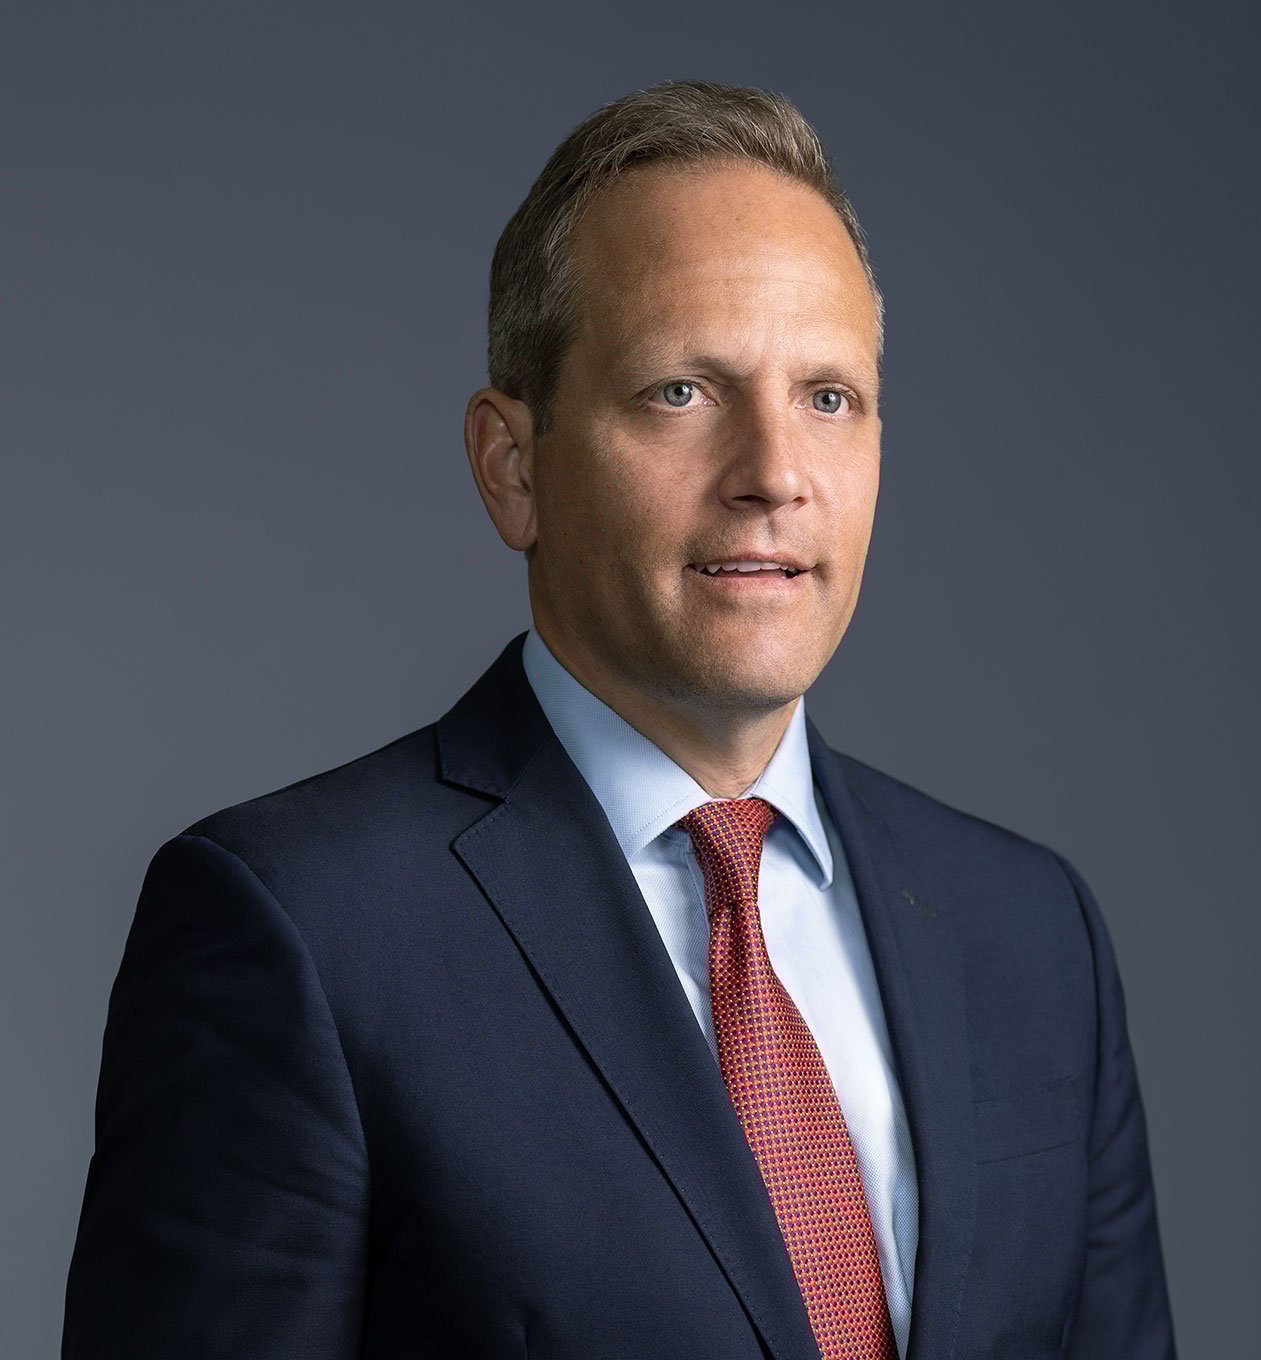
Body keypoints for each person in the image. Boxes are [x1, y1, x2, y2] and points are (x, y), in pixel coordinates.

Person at [62, 79, 1177, 1360]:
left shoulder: (1032, 935)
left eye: (828, 396)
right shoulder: (300, 927)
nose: (773, 474)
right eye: (680, 392)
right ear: (513, 467)